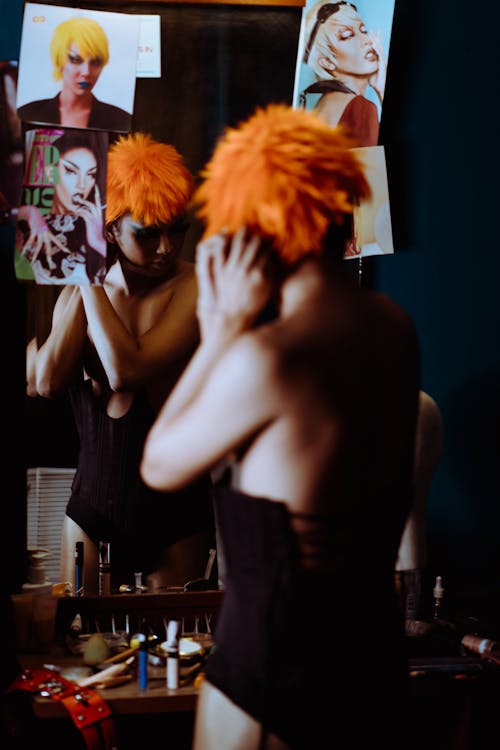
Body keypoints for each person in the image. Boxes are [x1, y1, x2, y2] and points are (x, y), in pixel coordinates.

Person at [140, 104, 420, 748]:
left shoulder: (268, 357)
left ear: (256, 231)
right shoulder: (393, 328)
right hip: (371, 673)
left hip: (269, 680)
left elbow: (158, 464)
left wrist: (218, 335)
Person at [28, 132, 215, 595]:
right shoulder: (83, 292)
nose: (167, 248)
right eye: (148, 233)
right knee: (78, 651)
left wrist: (86, 272)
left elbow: (126, 371)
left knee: (175, 656)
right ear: (109, 229)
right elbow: (49, 382)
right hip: (91, 507)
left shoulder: (193, 286)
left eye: (178, 229)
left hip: (174, 516)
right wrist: (85, 272)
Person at [16, 128, 108, 285]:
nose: (82, 185)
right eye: (71, 171)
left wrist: (98, 242)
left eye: (90, 174)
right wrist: (27, 212)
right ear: (51, 173)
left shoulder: (98, 223)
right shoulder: (27, 225)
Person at [17, 16, 130, 132]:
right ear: (59, 62)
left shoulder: (121, 120)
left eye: (95, 62)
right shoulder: (27, 114)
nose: (86, 72)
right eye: (76, 60)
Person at [299, 1, 387, 147]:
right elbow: (375, 170)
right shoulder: (360, 108)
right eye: (347, 36)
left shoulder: (323, 104)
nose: (366, 40)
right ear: (327, 62)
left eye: (363, 30)